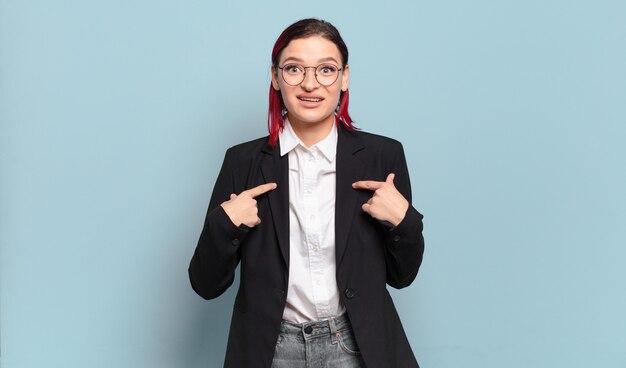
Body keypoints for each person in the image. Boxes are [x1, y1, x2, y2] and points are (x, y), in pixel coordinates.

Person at [188, 18, 425, 368]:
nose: (310, 83)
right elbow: (205, 284)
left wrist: (404, 222)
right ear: (275, 77)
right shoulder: (242, 162)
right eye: (294, 68)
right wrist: (226, 224)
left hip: (356, 346)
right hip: (272, 351)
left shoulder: (382, 156)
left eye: (326, 69)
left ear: (344, 77)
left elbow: (402, 276)